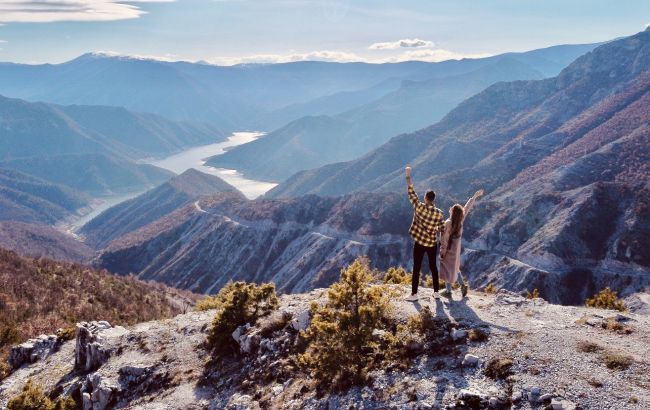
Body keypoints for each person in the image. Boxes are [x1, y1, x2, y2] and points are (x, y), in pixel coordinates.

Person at [404, 165, 445, 301]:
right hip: (432, 244)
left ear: (425, 198)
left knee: (417, 267)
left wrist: (408, 175)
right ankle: (436, 292)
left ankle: (414, 294)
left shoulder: (419, 207)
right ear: (433, 200)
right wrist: (434, 229)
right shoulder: (439, 213)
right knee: (433, 267)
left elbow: (411, 191)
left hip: (420, 243)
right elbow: (441, 228)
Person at [440, 189, 484, 298]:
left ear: (452, 212)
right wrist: (474, 197)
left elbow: (444, 239)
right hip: (457, 249)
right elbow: (466, 208)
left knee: (447, 268)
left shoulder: (448, 223)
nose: (450, 209)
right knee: (454, 267)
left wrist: (442, 252)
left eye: (452, 208)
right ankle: (463, 286)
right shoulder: (460, 220)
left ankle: (448, 292)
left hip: (449, 249)